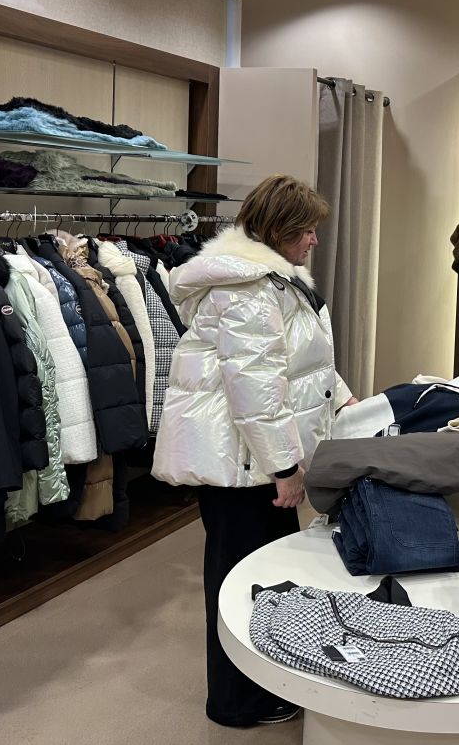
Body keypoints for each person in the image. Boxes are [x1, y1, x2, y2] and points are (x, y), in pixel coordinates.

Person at [152, 175, 356, 726]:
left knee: (263, 576)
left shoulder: (273, 281)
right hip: (241, 463)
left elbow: (295, 362)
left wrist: (341, 396)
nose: (314, 240)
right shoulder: (247, 290)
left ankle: (260, 686)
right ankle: (236, 702)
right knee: (239, 579)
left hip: (250, 458)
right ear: (278, 230)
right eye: (306, 230)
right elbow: (256, 389)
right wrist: (284, 468)